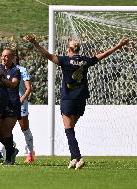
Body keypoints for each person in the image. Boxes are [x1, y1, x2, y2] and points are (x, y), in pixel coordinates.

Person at [24, 35, 129, 169]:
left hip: (68, 98)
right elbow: (103, 54)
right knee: (71, 129)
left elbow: (49, 56)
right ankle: (73, 158)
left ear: (69, 49)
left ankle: (78, 157)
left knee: (69, 130)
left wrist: (35, 43)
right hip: (81, 98)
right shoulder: (85, 61)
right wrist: (119, 45)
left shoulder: (65, 60)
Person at [14, 50, 35, 163]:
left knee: (24, 128)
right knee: (3, 129)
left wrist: (22, 98)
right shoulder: (2, 70)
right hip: (7, 103)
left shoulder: (22, 70)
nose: (5, 58)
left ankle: (30, 153)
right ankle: (4, 150)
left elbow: (29, 88)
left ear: (15, 58)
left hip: (20, 103)